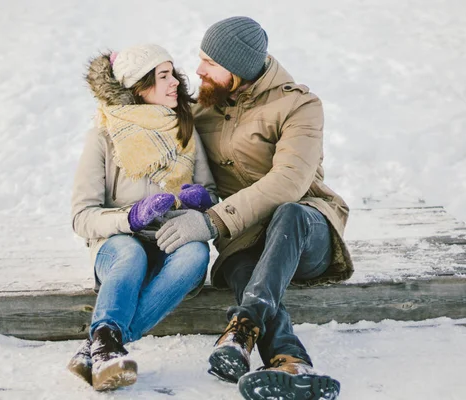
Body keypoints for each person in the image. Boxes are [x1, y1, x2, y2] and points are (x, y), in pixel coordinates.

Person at [155, 16, 354, 400]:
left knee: (289, 212)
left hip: (304, 231)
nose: (199, 70)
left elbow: (289, 183)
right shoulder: (202, 111)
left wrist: (212, 222)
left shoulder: (299, 106)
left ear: (240, 68)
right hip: (244, 241)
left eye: (211, 63)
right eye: (201, 59)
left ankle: (242, 324)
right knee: (240, 264)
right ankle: (290, 360)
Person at [67, 44, 217, 391]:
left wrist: (199, 201)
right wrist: (130, 218)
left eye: (173, 73)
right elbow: (82, 216)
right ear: (139, 86)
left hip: (169, 241)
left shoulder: (185, 129)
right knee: (130, 252)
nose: (175, 82)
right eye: (162, 76)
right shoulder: (105, 135)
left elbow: (211, 196)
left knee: (197, 253)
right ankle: (106, 342)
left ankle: (104, 342)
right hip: (118, 248)